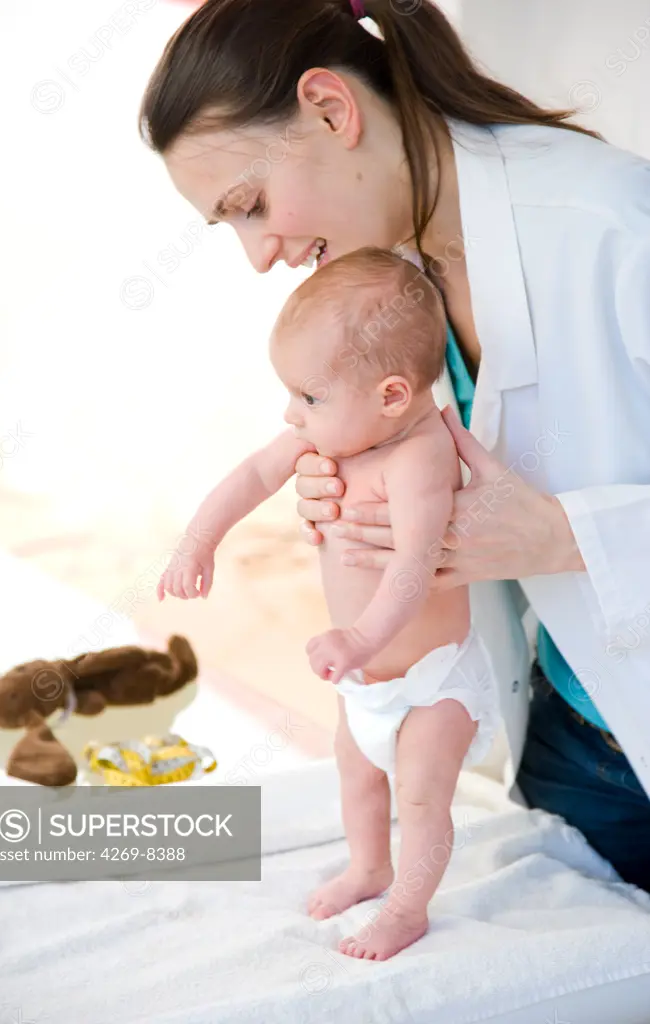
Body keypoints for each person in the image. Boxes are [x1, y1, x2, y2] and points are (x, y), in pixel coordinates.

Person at [139, 0, 650, 892]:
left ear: (332, 109)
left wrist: (565, 538)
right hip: (570, 745)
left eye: (250, 206)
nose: (260, 255)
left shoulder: (612, 223)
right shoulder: (388, 283)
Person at [157, 247, 500, 959]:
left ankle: (409, 906)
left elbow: (413, 567)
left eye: (308, 397)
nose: (292, 412)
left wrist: (361, 641)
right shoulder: (336, 432)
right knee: (356, 770)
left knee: (421, 795)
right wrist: (198, 541)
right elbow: (253, 473)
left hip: (430, 679)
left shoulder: (419, 457)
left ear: (392, 396)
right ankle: (369, 868)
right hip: (364, 674)